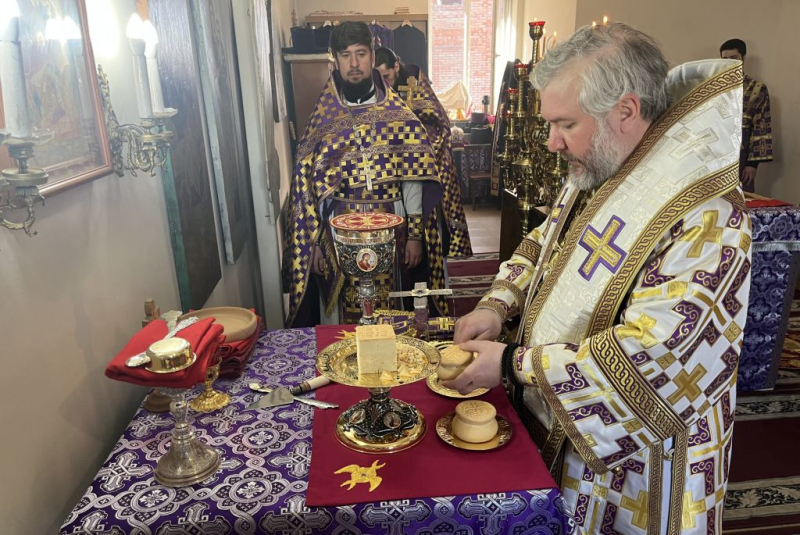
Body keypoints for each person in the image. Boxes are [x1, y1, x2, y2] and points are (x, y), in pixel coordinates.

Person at [446, 23, 751, 534]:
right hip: (567, 428)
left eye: (565, 123)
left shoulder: (707, 218)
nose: (551, 142)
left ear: (625, 111)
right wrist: (497, 303)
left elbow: (657, 360)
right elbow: (547, 241)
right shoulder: (604, 166)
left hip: (643, 466)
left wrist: (513, 364)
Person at [283, 22, 448, 327]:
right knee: (344, 320)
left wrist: (414, 236)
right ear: (336, 59)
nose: (354, 63)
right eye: (346, 55)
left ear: (372, 57)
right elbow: (310, 191)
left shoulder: (401, 117)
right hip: (337, 233)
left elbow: (412, 179)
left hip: (392, 227)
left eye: (360, 54)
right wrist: (315, 243)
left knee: (394, 309)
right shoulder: (323, 121)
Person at [375, 47, 472, 259]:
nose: (384, 83)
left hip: (428, 160)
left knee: (430, 219)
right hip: (394, 167)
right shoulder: (378, 93)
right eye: (379, 78)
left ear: (396, 67)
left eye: (387, 76)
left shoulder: (415, 82)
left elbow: (440, 122)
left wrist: (421, 150)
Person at [720, 38, 773, 192]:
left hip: (742, 155)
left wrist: (752, 164)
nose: (729, 63)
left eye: (734, 58)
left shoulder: (757, 89)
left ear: (743, 58)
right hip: (716, 155)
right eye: (725, 59)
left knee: (743, 199)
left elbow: (761, 128)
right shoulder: (713, 88)